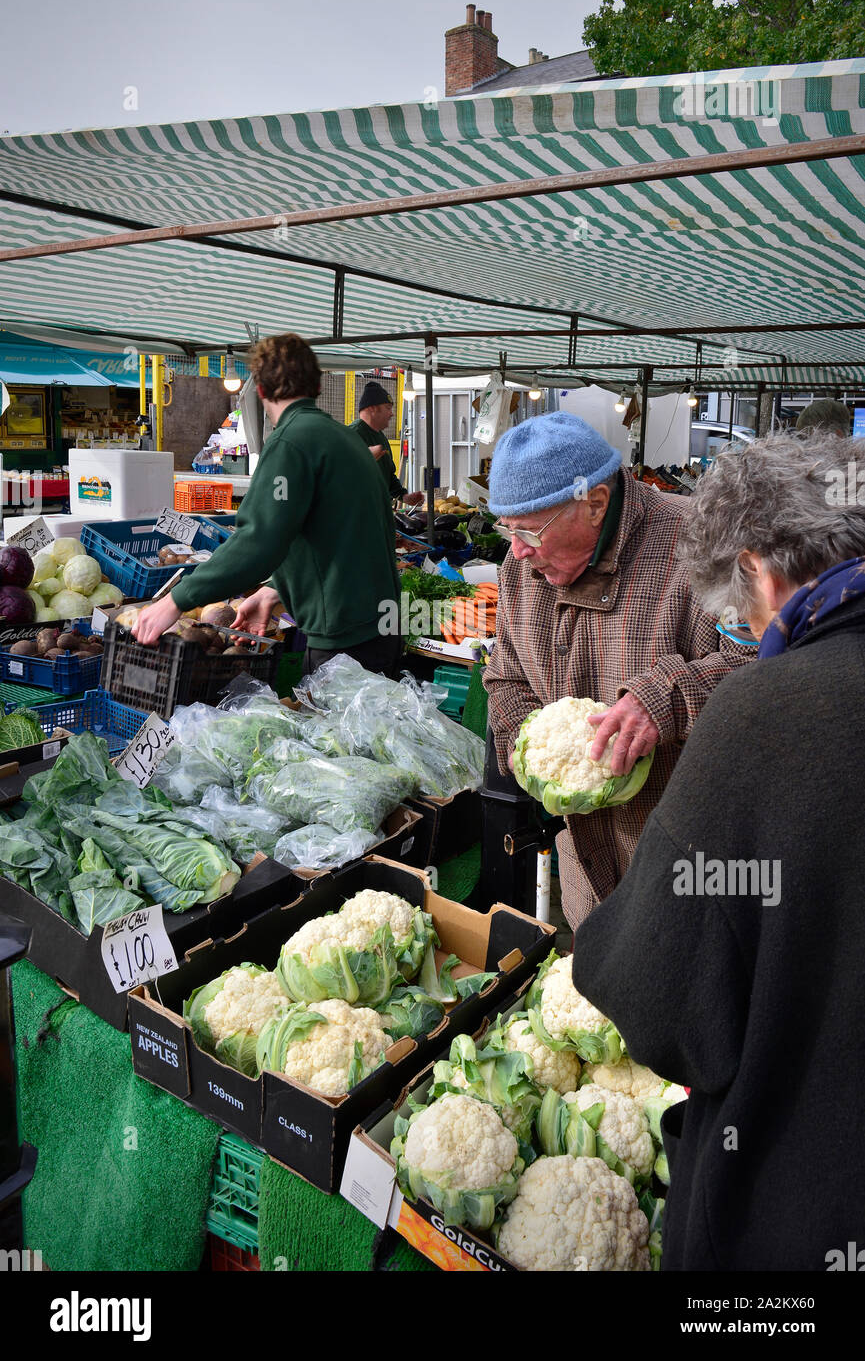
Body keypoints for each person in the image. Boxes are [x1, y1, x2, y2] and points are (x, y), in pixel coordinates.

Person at [570, 434, 865, 1271]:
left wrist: (600, 944)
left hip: (795, 1208)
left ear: (759, 570)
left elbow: (660, 1005)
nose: (751, 633)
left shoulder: (766, 713)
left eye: (743, 617)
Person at [483, 410, 755, 929]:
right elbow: (506, 675)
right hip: (586, 870)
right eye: (506, 531)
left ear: (595, 504)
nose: (517, 552)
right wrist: (531, 745)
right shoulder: (521, 570)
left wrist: (664, 698)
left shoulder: (705, 545)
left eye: (530, 533)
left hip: (694, 869)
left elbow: (767, 664)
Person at [133, 333, 402, 676]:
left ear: (260, 390)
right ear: (317, 385)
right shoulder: (344, 439)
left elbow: (258, 540)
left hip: (345, 639)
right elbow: (336, 534)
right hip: (381, 626)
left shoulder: (291, 442)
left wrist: (176, 599)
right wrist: (274, 591)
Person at [346, 380, 424, 506]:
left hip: (380, 511)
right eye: (388, 408)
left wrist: (404, 496)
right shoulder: (352, 435)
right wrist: (365, 457)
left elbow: (388, 475)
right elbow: (342, 475)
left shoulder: (381, 437)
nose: (392, 413)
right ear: (373, 409)